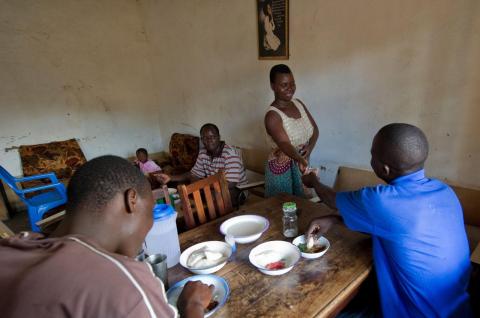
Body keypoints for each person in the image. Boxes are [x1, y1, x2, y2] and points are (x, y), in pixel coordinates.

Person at [0, 155, 212, 318]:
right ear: (132, 201)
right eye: (150, 213)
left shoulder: (14, 246)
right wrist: (193, 306)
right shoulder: (123, 282)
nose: (149, 226)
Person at [302, 123, 472, 317]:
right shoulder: (445, 191)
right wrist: (334, 220)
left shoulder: (381, 200)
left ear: (384, 168)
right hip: (459, 308)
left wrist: (313, 181)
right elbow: (397, 229)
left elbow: (332, 199)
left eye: (372, 154)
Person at [156, 123, 247, 206]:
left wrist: (203, 184)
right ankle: (199, 212)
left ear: (219, 137)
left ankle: (208, 213)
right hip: (213, 187)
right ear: (202, 139)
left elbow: (230, 184)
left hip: (236, 190)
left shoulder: (229, 154)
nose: (209, 140)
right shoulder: (203, 152)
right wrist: (170, 177)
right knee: (186, 186)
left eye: (212, 137)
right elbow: (193, 174)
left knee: (211, 194)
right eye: (205, 138)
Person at [264, 64, 319, 198]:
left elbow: (315, 130)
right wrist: (301, 160)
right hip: (281, 171)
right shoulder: (272, 116)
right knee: (283, 206)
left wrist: (310, 148)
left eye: (292, 84)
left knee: (304, 207)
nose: (290, 88)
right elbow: (285, 144)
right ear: (273, 86)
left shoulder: (299, 103)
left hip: (301, 163)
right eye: (284, 85)